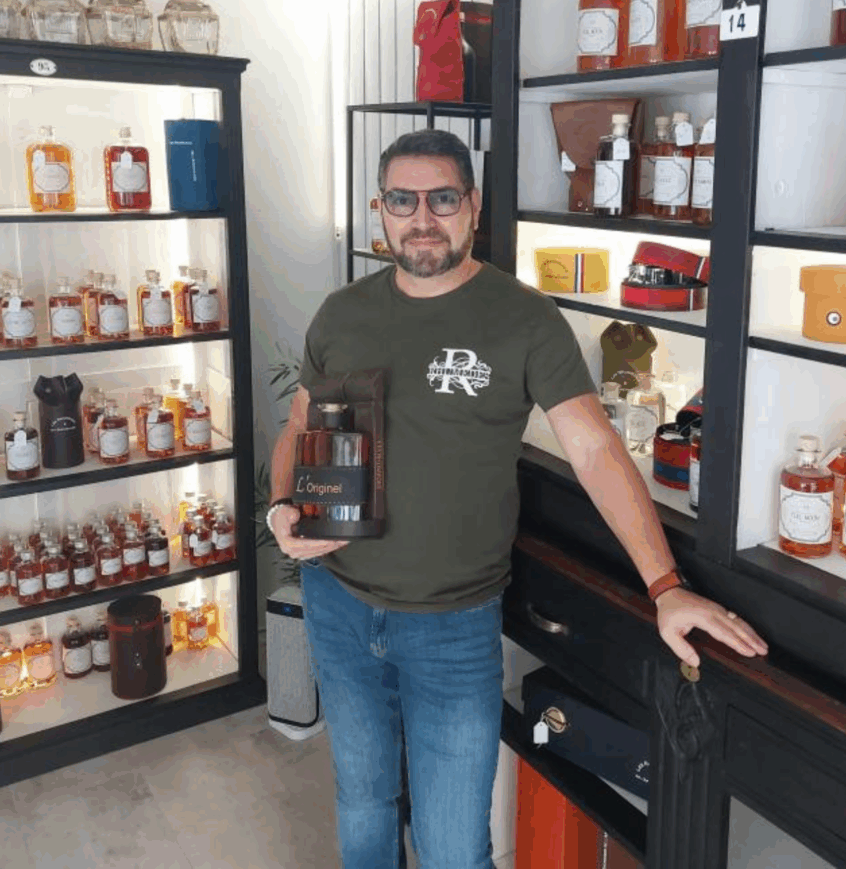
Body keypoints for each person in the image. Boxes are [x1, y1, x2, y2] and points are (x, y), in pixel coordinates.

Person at [266, 129, 768, 869]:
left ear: (473, 207)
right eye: (402, 200)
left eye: (442, 198)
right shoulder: (343, 313)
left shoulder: (523, 317)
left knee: (453, 846)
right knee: (363, 799)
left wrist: (665, 586)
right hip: (338, 602)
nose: (422, 218)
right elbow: (300, 425)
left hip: (450, 626)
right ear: (381, 211)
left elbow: (595, 451)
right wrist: (281, 508)